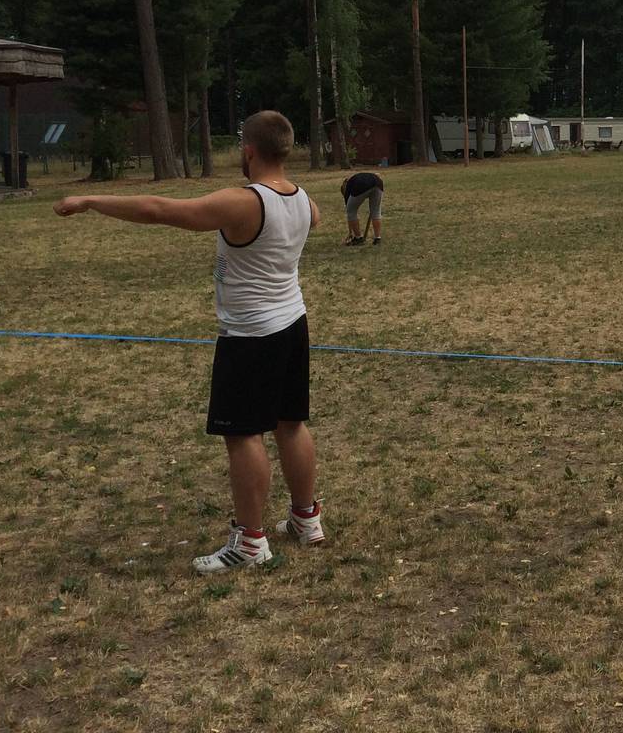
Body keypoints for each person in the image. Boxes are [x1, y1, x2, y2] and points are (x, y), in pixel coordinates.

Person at [52, 110, 325, 574]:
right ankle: (306, 519)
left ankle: (250, 543)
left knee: (243, 434)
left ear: (249, 151)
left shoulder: (244, 202)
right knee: (291, 424)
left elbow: (159, 210)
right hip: (292, 325)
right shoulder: (303, 199)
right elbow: (309, 221)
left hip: (251, 335)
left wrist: (91, 200)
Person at [340, 170, 384, 245]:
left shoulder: (348, 189)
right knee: (376, 211)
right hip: (378, 183)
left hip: (361, 185)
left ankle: (358, 238)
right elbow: (377, 175)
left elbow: (350, 212)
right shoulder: (358, 177)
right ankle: (377, 238)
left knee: (351, 211)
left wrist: (350, 233)